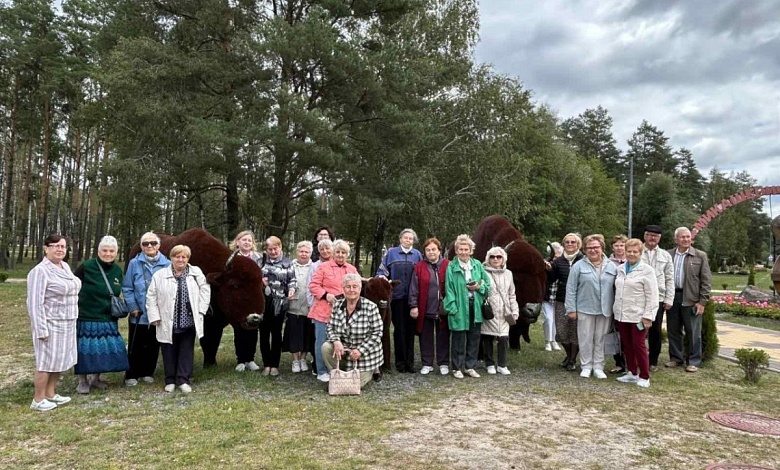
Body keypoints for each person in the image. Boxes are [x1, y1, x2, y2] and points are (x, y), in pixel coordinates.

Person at [26, 234, 81, 411]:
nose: (59, 249)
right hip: (50, 323)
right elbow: (34, 303)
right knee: (45, 362)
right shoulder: (39, 271)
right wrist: (41, 329)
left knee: (60, 360)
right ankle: (38, 399)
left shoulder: (64, 266)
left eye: (63, 246)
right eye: (55, 246)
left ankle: (50, 393)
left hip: (68, 321)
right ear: (46, 248)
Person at [146, 244, 211, 393]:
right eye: (177, 256)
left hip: (188, 319)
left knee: (186, 349)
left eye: (184, 257)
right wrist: (154, 316)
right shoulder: (160, 275)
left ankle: (183, 379)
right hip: (167, 319)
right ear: (171, 258)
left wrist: (201, 310)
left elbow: (205, 290)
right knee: (168, 349)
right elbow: (151, 296)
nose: (180, 259)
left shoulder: (196, 273)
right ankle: (169, 379)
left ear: (188, 258)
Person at [73, 235, 130, 394]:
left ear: (116, 253)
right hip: (87, 315)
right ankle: (82, 380)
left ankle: (96, 378)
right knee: (85, 350)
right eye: (104, 250)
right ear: (98, 251)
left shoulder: (117, 270)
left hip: (108, 317)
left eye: (111, 251)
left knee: (103, 349)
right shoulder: (87, 267)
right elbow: (72, 287)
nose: (108, 254)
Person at [565, 234, 617, 379]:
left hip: (605, 309)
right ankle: (586, 366)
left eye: (596, 247)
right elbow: (571, 288)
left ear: (602, 248)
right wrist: (571, 309)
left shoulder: (612, 266)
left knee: (601, 338)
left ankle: (599, 366)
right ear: (585, 250)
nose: (593, 250)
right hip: (584, 308)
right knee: (585, 338)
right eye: (589, 248)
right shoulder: (578, 266)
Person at [123, 232, 171, 386]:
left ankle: (147, 371)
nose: (149, 246)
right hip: (139, 313)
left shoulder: (167, 264)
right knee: (135, 344)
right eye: (145, 244)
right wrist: (133, 307)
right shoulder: (134, 264)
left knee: (153, 344)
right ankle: (132, 374)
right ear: (141, 246)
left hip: (158, 313)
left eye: (153, 243)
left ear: (159, 245)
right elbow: (128, 287)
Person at [322, 273, 384, 389]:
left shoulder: (371, 307)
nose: (351, 290)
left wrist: (360, 350)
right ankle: (338, 372)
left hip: (365, 354)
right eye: (348, 286)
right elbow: (330, 327)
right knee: (326, 347)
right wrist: (336, 341)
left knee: (351, 386)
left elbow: (377, 332)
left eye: (355, 287)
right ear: (343, 288)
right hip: (345, 349)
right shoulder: (337, 305)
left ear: (360, 289)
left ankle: (372, 370)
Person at [308, 239, 359, 382]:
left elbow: (357, 286)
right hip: (324, 311)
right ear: (333, 253)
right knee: (322, 342)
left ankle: (338, 367)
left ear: (347, 254)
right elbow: (313, 285)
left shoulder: (351, 269)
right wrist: (326, 295)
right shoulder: (324, 267)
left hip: (345, 312)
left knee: (341, 341)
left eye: (344, 252)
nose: (341, 255)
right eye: (338, 252)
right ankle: (321, 370)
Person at [444, 234, 491, 379]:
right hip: (459, 307)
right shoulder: (451, 266)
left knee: (474, 337)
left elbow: (487, 284)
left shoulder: (477, 265)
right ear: (456, 251)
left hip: (475, 306)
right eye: (461, 249)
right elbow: (449, 288)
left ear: (471, 250)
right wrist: (453, 308)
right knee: (458, 338)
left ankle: (470, 366)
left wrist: (478, 287)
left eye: (466, 249)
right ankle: (457, 367)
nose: (464, 252)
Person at [376, 228, 423, 373]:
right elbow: (381, 272)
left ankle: (410, 363)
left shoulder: (417, 255)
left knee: (410, 330)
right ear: (400, 238)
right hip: (396, 298)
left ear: (413, 241)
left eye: (411, 239)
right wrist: (384, 279)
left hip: (413, 298)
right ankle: (400, 363)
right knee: (399, 330)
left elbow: (422, 273)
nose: (408, 240)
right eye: (406, 238)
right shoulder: (391, 253)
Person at [614, 238, 659, 388]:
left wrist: (648, 316)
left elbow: (653, 295)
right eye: (629, 251)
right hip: (622, 314)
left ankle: (644, 376)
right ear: (625, 252)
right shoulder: (620, 269)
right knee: (627, 344)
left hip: (639, 316)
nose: (631, 254)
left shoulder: (647, 271)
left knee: (638, 345)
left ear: (641, 253)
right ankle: (632, 372)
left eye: (635, 252)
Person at [666, 227, 711, 372]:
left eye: (688, 237)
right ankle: (676, 358)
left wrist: (702, 301)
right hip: (672, 297)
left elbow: (706, 280)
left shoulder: (699, 255)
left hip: (691, 298)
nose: (686, 239)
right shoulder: (668, 255)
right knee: (673, 329)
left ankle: (693, 361)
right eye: (682, 237)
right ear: (675, 240)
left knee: (693, 332)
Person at [409, 238, 450, 376]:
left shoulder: (447, 265)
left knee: (443, 335)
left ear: (439, 250)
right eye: (428, 250)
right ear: (424, 252)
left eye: (434, 249)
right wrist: (413, 305)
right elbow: (413, 288)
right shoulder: (419, 267)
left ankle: (443, 362)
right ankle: (427, 363)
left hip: (443, 308)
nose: (431, 252)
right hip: (425, 307)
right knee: (425, 336)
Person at [259, 236, 297, 376]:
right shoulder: (261, 262)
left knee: (276, 334)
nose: (273, 251)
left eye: (275, 248)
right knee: (263, 334)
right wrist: (260, 280)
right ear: (266, 249)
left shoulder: (288, 263)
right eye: (270, 249)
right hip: (263, 303)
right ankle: (266, 364)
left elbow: (292, 280)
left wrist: (292, 290)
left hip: (279, 303)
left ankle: (275, 365)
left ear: (280, 247)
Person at [547, 233, 584, 371]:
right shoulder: (559, 261)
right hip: (561, 299)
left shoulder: (583, 260)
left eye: (572, 242)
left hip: (580, 300)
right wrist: (549, 270)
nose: (569, 244)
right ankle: (569, 356)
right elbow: (551, 280)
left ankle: (572, 360)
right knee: (562, 332)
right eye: (567, 242)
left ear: (578, 244)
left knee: (575, 332)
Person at [481, 247, 520, 375]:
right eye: (492, 256)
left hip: (504, 311)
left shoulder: (508, 273)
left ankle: (502, 364)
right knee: (487, 336)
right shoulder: (482, 272)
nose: (496, 259)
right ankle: (489, 363)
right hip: (490, 310)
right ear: (488, 258)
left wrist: (515, 310)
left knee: (503, 338)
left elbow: (512, 294)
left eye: (499, 256)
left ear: (503, 259)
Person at [641, 225, 675, 372]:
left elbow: (670, 278)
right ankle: (637, 357)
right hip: (639, 297)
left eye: (655, 236)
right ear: (645, 236)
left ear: (659, 238)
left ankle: (653, 360)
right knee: (638, 329)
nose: (652, 238)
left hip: (658, 298)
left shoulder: (665, 256)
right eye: (649, 235)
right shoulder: (636, 251)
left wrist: (669, 299)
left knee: (655, 330)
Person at [229, 230, 263, 372]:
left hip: (254, 298)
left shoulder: (259, 258)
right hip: (239, 300)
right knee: (239, 329)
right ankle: (241, 360)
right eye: (244, 240)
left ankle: (250, 359)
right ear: (238, 242)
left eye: (249, 240)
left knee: (253, 328)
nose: (247, 242)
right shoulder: (232, 259)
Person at [285, 241, 313, 373]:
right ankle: (295, 360)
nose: (303, 254)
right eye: (301, 251)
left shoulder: (314, 267)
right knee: (294, 334)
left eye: (306, 252)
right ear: (297, 252)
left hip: (309, 306)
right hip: (293, 305)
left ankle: (303, 358)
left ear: (310, 253)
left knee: (307, 334)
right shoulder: (290, 265)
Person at [607, 234, 628, 374]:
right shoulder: (608, 262)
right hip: (613, 301)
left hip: (630, 303)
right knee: (615, 333)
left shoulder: (633, 261)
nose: (619, 248)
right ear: (612, 247)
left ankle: (633, 362)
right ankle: (619, 362)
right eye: (617, 245)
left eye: (622, 245)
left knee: (631, 334)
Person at [541, 242, 563, 352]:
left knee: (555, 320)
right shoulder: (544, 264)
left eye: (559, 255)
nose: (557, 258)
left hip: (559, 297)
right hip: (547, 296)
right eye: (554, 255)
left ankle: (554, 341)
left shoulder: (563, 264)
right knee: (548, 319)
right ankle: (548, 342)